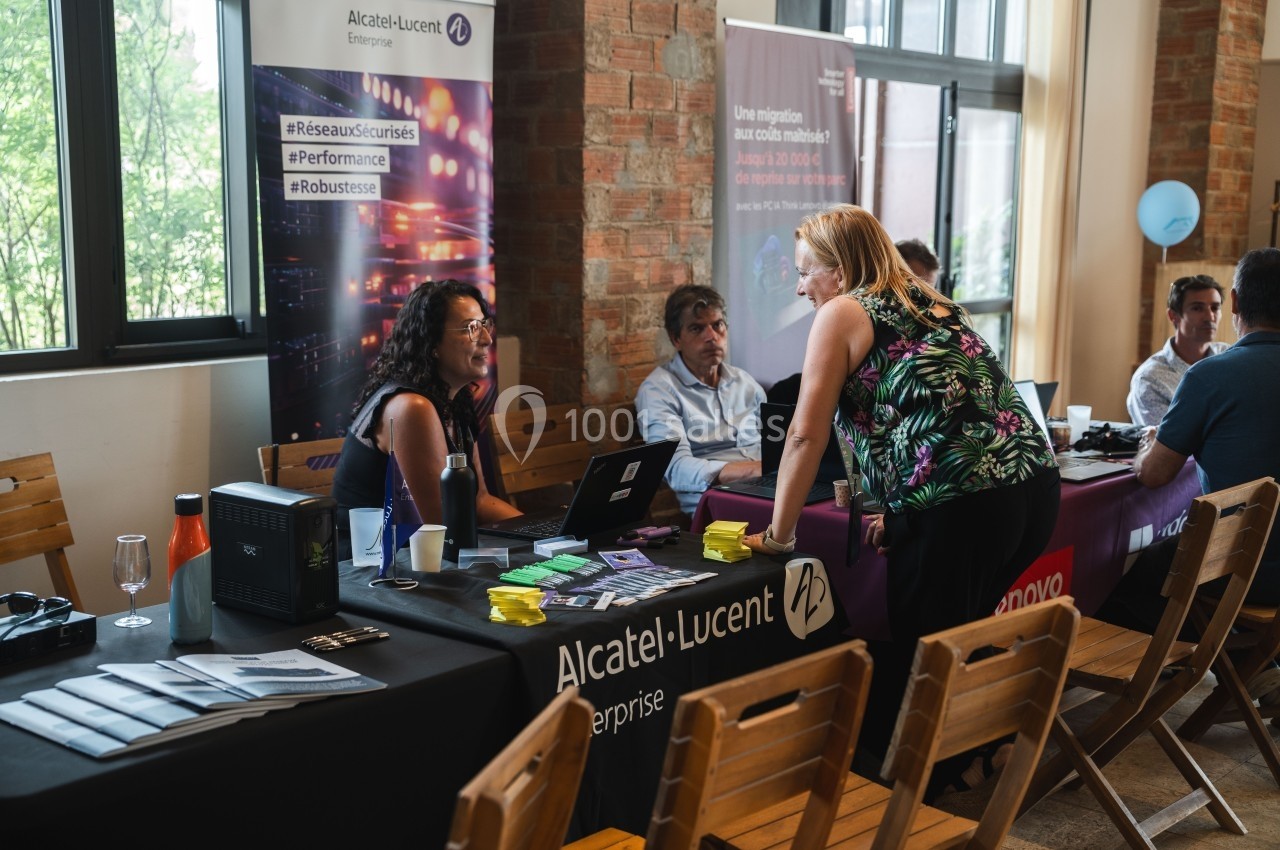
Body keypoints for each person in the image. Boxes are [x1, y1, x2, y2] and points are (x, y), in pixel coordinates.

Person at [744, 204, 1060, 796]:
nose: (799, 284)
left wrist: (779, 536)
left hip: (964, 502)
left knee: (926, 649)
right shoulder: (930, 302)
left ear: (839, 272)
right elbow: (924, 411)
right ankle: (979, 752)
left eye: (806, 270)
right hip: (1032, 488)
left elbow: (806, 434)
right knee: (955, 635)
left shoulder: (842, 312)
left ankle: (921, 791)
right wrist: (897, 511)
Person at [1106, 248, 1280, 700]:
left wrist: (1147, 449)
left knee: (1137, 574)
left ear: (1236, 305)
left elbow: (1156, 475)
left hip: (1244, 567)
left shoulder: (1211, 376)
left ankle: (1129, 687)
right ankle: (1254, 665)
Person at [332, 279, 521, 559]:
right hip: (374, 568)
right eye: (471, 328)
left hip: (423, 556)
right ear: (432, 342)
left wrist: (552, 535)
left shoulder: (454, 400)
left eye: (484, 325)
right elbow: (441, 524)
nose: (486, 339)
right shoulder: (411, 408)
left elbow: (479, 501)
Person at [635, 284, 766, 516]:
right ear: (676, 339)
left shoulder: (744, 383)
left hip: (765, 487)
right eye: (697, 329)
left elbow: (771, 445)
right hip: (713, 502)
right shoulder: (659, 390)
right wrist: (750, 471)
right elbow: (675, 468)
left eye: (717, 325)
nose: (711, 337)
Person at [1125, 274, 1230, 426]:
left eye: (1215, 307)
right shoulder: (1150, 378)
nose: (1210, 316)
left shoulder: (1229, 356)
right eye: (1197, 308)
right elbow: (1170, 443)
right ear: (1173, 316)